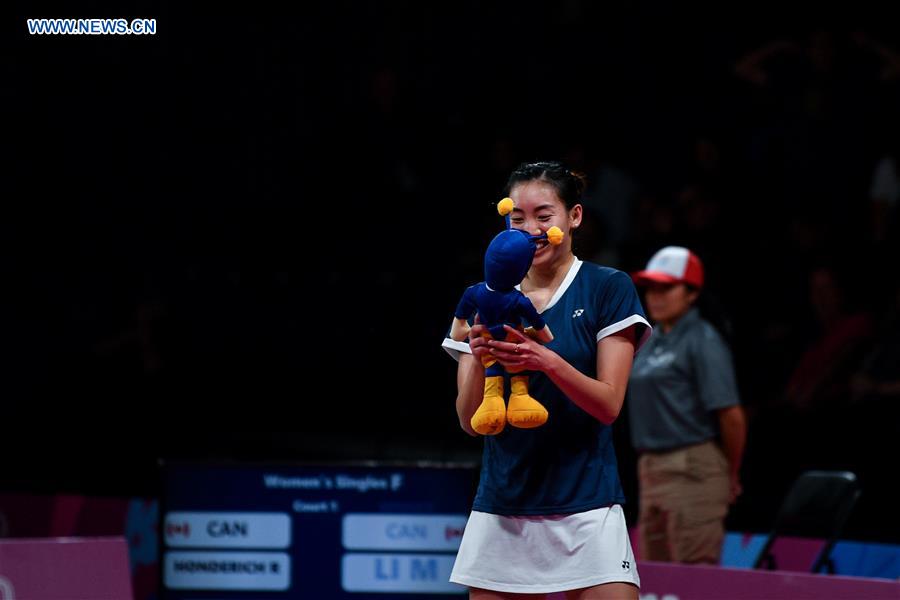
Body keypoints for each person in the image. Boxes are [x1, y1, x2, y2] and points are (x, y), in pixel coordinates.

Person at [441, 161, 652, 599]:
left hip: (587, 504)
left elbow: (609, 405)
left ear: (573, 217)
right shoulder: (484, 299)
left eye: (543, 216)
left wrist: (544, 360)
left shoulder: (607, 288)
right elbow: (467, 418)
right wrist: (479, 358)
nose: (529, 228)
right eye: (517, 218)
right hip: (504, 507)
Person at [627, 246, 746, 565]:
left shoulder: (703, 339)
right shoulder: (651, 339)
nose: (656, 296)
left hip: (693, 468)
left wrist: (730, 474)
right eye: (651, 287)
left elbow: (731, 415)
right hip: (650, 470)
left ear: (691, 294)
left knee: (694, 578)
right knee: (656, 577)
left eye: (667, 287)